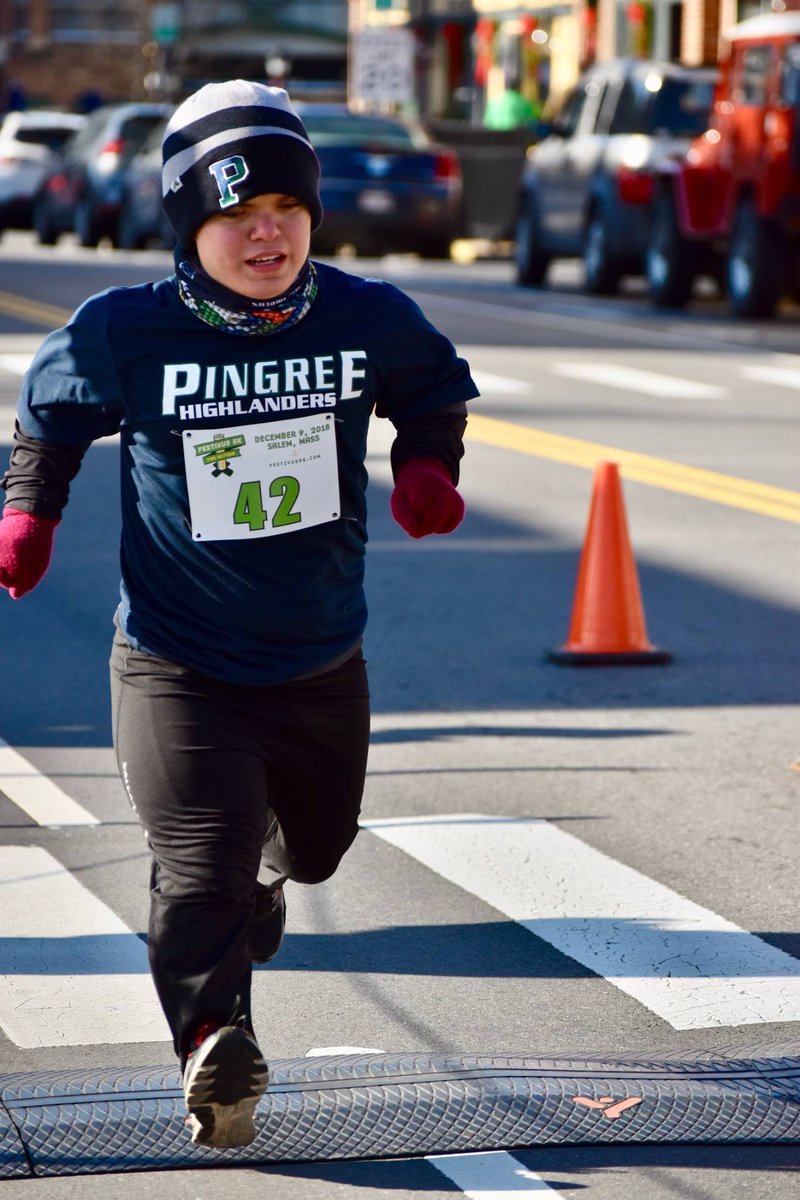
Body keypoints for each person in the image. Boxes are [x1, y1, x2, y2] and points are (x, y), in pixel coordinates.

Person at [0, 81, 477, 1149]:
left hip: (317, 653)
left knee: (313, 849)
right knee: (201, 860)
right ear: (191, 225)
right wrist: (26, 517)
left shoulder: (365, 315)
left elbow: (430, 390)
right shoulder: (126, 332)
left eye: (288, 212)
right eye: (236, 215)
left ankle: (270, 876)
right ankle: (214, 1043)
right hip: (177, 657)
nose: (267, 233)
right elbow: (48, 423)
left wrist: (425, 467)